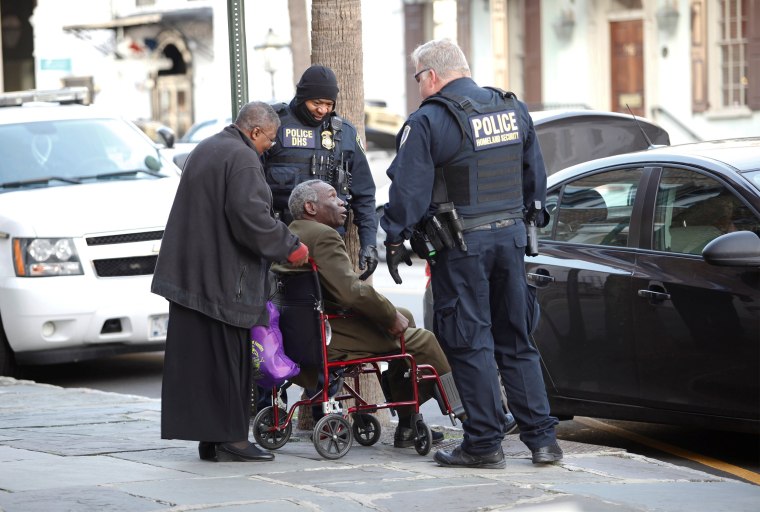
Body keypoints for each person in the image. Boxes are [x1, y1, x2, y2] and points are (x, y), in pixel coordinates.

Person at [381, 39, 562, 468]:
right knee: (517, 340)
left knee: (470, 342)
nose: (419, 86)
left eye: (418, 78)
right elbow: (535, 176)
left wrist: (393, 236)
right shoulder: (511, 108)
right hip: (512, 240)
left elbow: (408, 191)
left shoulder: (428, 120)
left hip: (462, 247)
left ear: (432, 75)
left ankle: (483, 444)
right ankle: (543, 442)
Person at [151, 101, 310, 463]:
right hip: (222, 281)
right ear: (254, 131)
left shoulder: (206, 147)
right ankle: (234, 440)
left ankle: (211, 439)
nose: (270, 146)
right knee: (228, 362)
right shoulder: (241, 158)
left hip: (192, 276)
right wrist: (290, 246)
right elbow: (250, 217)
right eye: (269, 139)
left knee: (201, 362)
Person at [273, 179, 451, 448]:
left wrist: (392, 313)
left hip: (301, 333)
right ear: (311, 207)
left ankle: (407, 423)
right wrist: (388, 317)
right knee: (422, 340)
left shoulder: (291, 234)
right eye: (333, 197)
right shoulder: (324, 236)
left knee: (404, 315)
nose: (342, 201)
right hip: (330, 336)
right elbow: (350, 292)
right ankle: (465, 409)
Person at [264, 65, 379, 280]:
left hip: (329, 243)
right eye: (316, 103)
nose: (322, 110)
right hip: (282, 240)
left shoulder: (344, 133)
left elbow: (364, 194)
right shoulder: (275, 126)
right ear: (301, 97)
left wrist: (369, 242)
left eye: (328, 104)